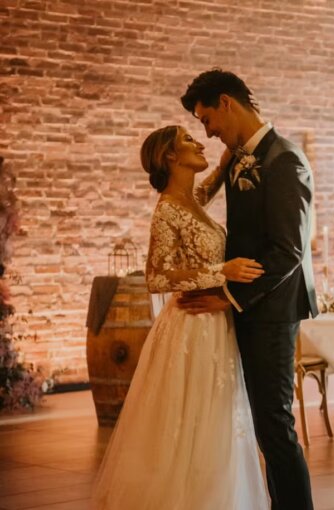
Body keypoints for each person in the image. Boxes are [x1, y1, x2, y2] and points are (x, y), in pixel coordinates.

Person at [91, 125, 269, 509]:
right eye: (189, 140)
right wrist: (224, 271)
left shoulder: (192, 200)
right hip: (191, 327)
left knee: (215, 419)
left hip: (215, 323)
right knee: (194, 419)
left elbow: (214, 177)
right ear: (169, 156)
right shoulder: (167, 210)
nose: (199, 142)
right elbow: (156, 278)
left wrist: (237, 147)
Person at [178, 69, 319, 510]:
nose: (210, 131)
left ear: (226, 103)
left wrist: (228, 296)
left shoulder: (284, 160)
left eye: (207, 120)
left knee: (276, 427)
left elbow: (287, 251)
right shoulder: (241, 159)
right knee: (263, 427)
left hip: (273, 312)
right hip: (249, 311)